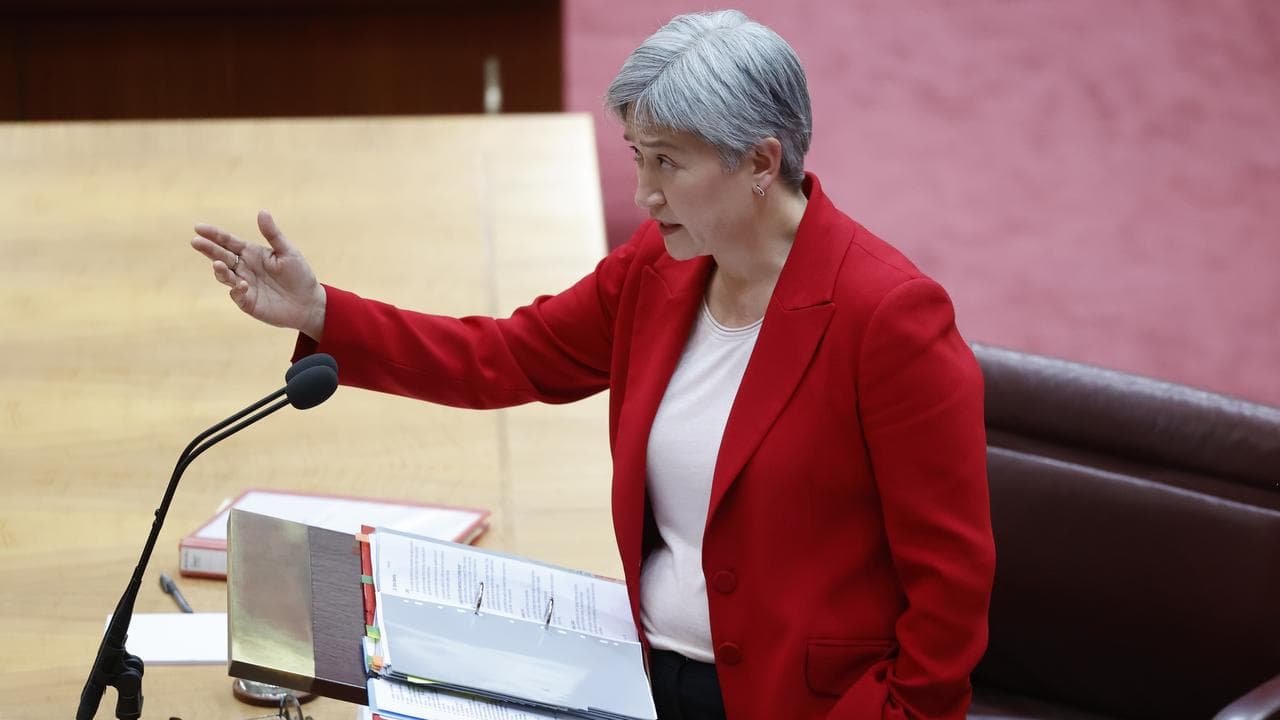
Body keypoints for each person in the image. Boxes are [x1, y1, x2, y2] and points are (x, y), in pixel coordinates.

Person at [191, 10, 995, 720]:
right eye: (636, 156)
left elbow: (951, 589)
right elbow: (501, 357)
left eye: (667, 163)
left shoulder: (890, 320)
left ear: (759, 162)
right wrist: (323, 312)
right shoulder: (659, 268)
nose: (642, 194)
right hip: (641, 680)